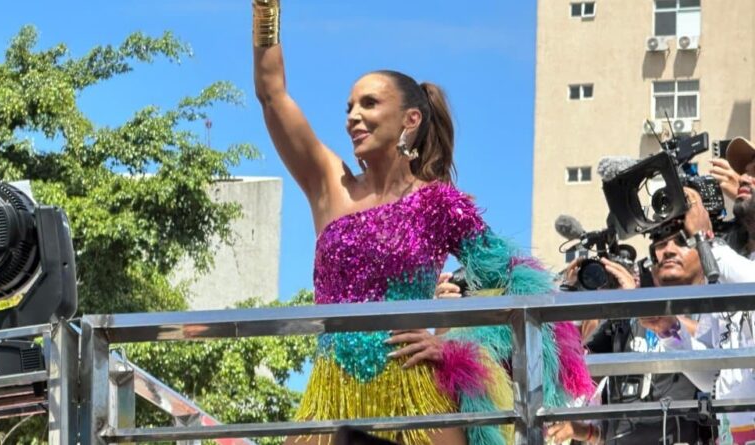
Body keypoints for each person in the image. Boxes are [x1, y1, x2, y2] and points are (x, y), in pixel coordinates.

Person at [251, 1, 593, 444]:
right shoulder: (329, 185)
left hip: (415, 395)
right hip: (330, 395)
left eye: (370, 103)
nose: (353, 116)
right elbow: (271, 94)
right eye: (349, 106)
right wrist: (265, 9)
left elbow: (523, 290)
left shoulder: (439, 204)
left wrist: (451, 347)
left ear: (410, 120)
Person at [640, 186, 755, 444]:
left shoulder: (730, 266)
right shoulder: (727, 275)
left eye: (752, 171)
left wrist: (705, 240)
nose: (744, 180)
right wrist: (671, 332)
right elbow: (711, 378)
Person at [549, 257, 706, 445]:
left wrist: (637, 299)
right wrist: (570, 291)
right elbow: (576, 369)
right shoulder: (615, 327)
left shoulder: (677, 310)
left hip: (676, 434)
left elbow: (704, 336)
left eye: (613, 281)